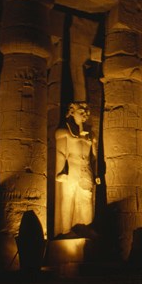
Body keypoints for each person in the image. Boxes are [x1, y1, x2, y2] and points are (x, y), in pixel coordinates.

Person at [54, 102, 100, 238]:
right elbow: (61, 153)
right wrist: (61, 171)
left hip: (87, 169)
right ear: (72, 112)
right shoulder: (64, 131)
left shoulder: (90, 135)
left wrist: (96, 173)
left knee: (87, 199)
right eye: (81, 111)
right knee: (68, 198)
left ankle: (87, 227)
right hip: (71, 169)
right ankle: (66, 230)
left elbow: (94, 157)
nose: (84, 115)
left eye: (86, 112)